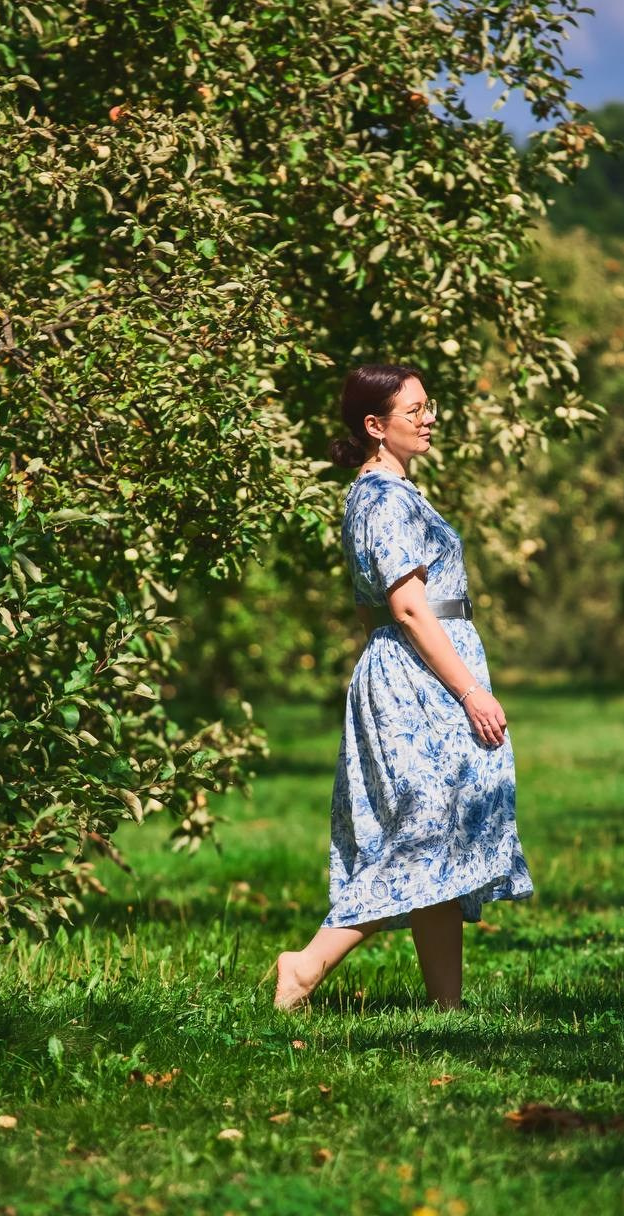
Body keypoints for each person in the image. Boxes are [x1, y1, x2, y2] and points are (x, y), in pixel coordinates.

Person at [269, 363, 533, 1011]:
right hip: (421, 677)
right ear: (374, 426)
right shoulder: (381, 498)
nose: (428, 419)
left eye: (428, 406)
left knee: (438, 833)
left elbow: (377, 612)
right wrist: (469, 690)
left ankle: (447, 1005)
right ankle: (304, 966)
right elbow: (408, 607)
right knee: (420, 833)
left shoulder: (389, 494)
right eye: (412, 411)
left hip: (415, 667)